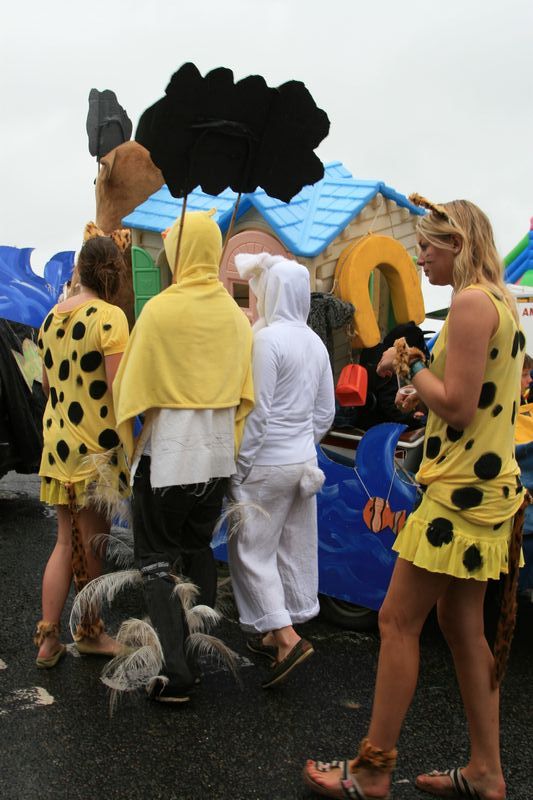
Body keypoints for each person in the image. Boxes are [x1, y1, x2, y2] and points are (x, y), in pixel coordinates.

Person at [303, 197, 525, 800]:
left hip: (456, 499)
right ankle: (486, 771)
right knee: (462, 627)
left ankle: (373, 769)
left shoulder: (471, 304)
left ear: (458, 244)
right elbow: (471, 402)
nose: (420, 256)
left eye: (427, 246)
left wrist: (409, 366)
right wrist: (421, 392)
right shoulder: (499, 302)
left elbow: (459, 405)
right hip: (487, 492)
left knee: (397, 620)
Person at [112, 210, 254, 704]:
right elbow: (245, 392)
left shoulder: (160, 311)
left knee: (156, 560)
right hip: (216, 458)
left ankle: (177, 673)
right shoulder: (235, 318)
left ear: (177, 252)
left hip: (168, 457)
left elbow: (128, 388)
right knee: (197, 552)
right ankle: (195, 654)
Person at [227, 253, 335, 689]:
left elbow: (257, 413)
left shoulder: (267, 340)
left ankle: (286, 637)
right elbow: (326, 411)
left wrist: (240, 467)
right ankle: (279, 628)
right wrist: (303, 443)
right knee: (290, 545)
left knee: (250, 549)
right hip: (302, 463)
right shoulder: (316, 343)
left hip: (265, 464)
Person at [35, 235, 130, 667]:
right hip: (96, 450)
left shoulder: (50, 318)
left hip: (57, 445)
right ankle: (91, 632)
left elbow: (49, 387)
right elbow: (118, 389)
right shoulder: (110, 318)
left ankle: (47, 640)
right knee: (92, 543)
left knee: (63, 542)